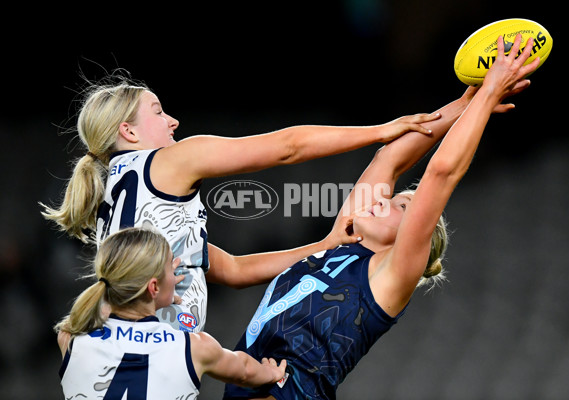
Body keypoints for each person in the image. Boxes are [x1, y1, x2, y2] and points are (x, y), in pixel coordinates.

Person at [223, 34, 539, 400]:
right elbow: (388, 161)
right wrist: (462, 106)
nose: (385, 199)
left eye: (402, 206)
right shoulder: (342, 244)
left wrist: (489, 97)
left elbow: (441, 174)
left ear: (411, 235)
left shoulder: (391, 273)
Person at [40, 70, 438, 333]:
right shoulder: (169, 161)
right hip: (154, 360)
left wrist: (322, 247)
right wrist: (380, 130)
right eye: (159, 112)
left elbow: (231, 268)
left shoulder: (119, 194)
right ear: (127, 131)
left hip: (119, 350)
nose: (172, 121)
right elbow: (288, 147)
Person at [56, 226, 287, 400]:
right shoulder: (194, 347)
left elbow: (108, 311)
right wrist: (270, 372)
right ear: (153, 287)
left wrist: (155, 293)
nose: (176, 269)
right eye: (170, 265)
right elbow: (245, 370)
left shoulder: (71, 338)